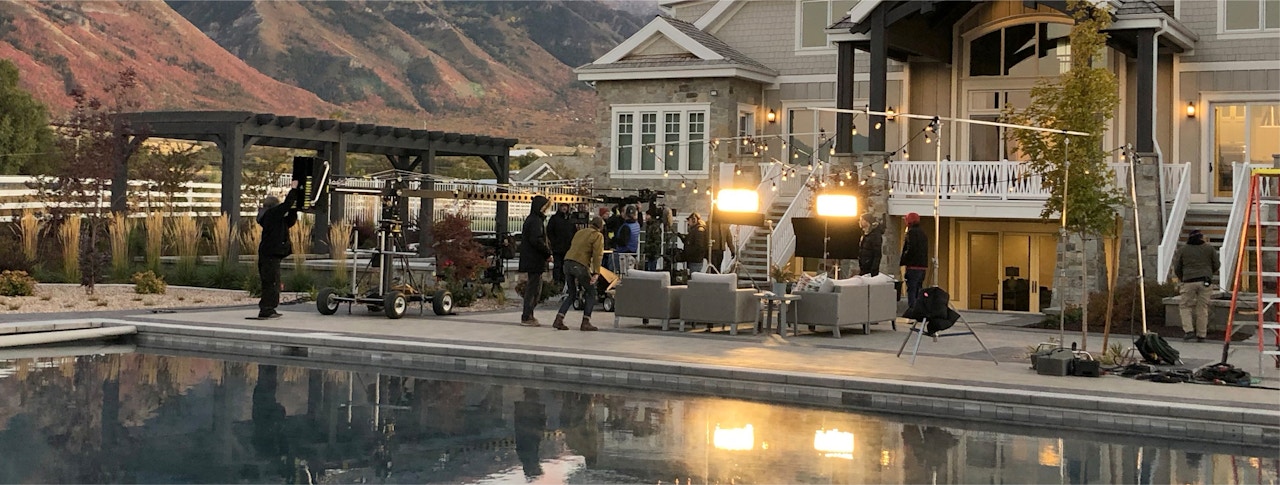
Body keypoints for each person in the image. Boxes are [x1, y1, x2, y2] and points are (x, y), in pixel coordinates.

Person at [256, 181, 302, 319]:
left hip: (270, 254)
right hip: (270, 254)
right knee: (272, 282)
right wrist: (293, 190)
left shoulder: (274, 219)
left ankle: (268, 308)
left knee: (271, 281)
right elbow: (285, 206)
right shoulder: (270, 215)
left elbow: (289, 222)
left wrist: (294, 209)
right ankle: (267, 309)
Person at [553, 216, 605, 331]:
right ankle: (585, 322)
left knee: (572, 293)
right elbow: (598, 254)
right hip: (580, 265)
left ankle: (559, 319)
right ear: (600, 227)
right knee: (591, 291)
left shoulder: (580, 232)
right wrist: (596, 272)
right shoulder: (597, 236)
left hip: (567, 262)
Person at [1173, 229, 1218, 342]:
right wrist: (1209, 273)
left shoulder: (1183, 250)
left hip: (1188, 281)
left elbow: (1177, 266)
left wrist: (1182, 277)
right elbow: (1216, 264)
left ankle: (1189, 331)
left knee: (1185, 306)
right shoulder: (1209, 248)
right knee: (1202, 308)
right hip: (1205, 281)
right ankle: (1201, 334)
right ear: (1201, 238)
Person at [518, 195, 553, 326]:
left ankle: (528, 314)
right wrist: (547, 253)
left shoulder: (533, 220)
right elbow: (537, 240)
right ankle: (527, 316)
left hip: (532, 259)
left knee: (534, 288)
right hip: (534, 259)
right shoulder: (535, 221)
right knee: (533, 289)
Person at [546, 202, 577, 293]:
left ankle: (564, 285)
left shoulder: (570, 219)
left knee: (566, 268)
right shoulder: (554, 219)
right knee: (557, 266)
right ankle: (557, 285)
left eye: (566, 206)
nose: (564, 208)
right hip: (558, 248)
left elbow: (574, 232)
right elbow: (550, 231)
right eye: (562, 206)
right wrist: (554, 242)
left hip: (568, 248)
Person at [900, 212, 928, 309]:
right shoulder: (923, 233)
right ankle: (918, 309)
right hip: (922, 266)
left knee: (911, 289)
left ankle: (912, 310)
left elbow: (910, 248)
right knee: (918, 289)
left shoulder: (911, 232)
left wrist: (904, 259)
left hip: (913, 266)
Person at [612, 205, 640, 272]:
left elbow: (623, 242)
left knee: (623, 273)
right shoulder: (637, 224)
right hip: (633, 252)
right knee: (631, 273)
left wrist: (614, 239)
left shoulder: (626, 227)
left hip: (624, 254)